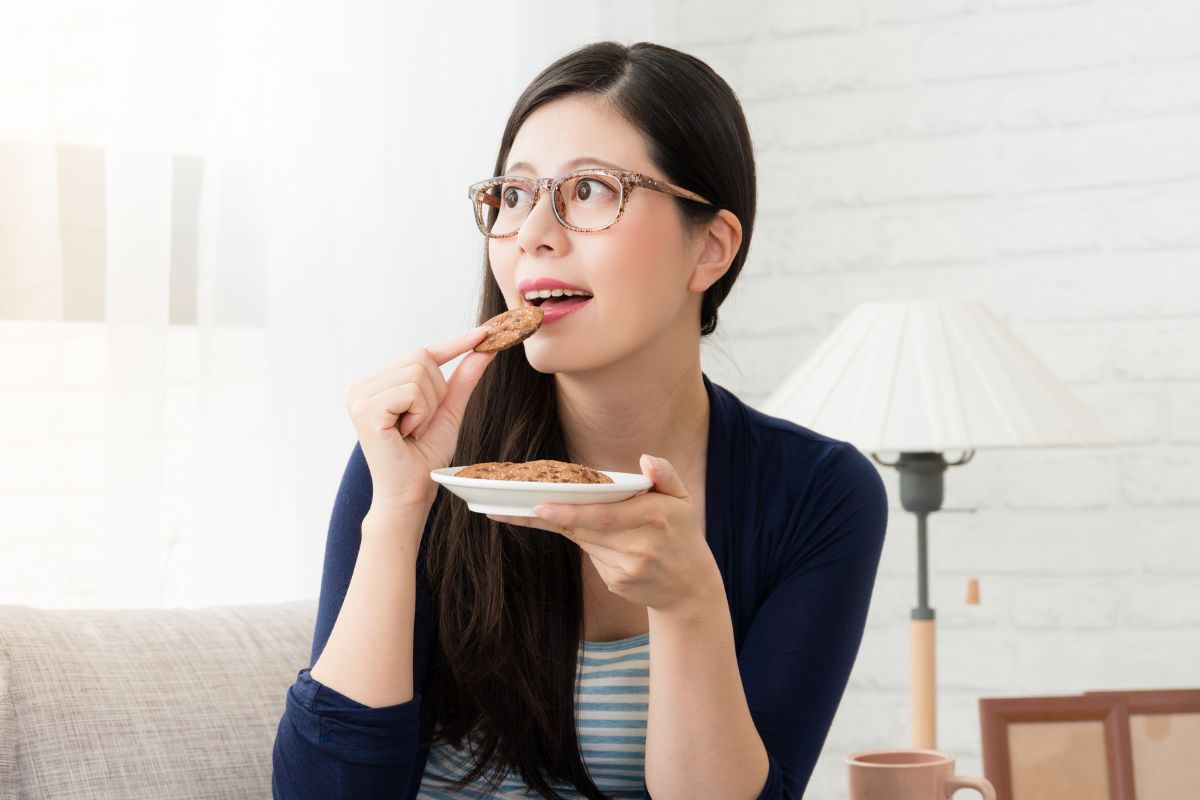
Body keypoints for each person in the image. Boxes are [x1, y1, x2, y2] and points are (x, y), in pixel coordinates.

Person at [271, 40, 888, 800]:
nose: (532, 233)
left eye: (591, 191)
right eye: (515, 196)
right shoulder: (413, 454)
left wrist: (691, 604)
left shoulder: (817, 495)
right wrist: (398, 513)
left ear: (711, 248)